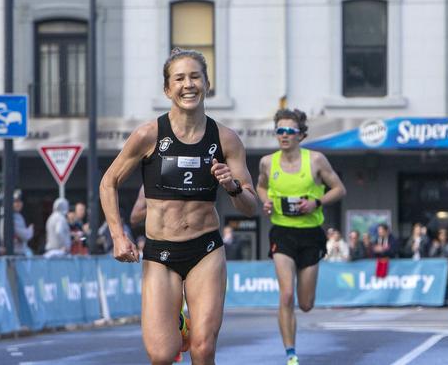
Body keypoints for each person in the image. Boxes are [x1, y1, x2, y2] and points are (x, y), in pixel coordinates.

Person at [100, 48, 257, 365]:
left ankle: (192, 331)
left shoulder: (225, 139)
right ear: (167, 89)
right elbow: (108, 182)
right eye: (179, 78)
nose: (188, 85)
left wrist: (232, 186)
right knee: (161, 354)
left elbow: (251, 206)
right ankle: (180, 325)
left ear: (207, 83)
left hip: (206, 248)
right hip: (161, 252)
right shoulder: (148, 135)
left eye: (195, 77)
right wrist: (118, 236)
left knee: (203, 349)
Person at [256, 108, 345, 365]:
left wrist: (316, 202)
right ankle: (290, 354)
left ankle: (295, 334)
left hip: (310, 234)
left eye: (289, 131)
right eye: (279, 131)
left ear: (301, 135)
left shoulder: (316, 160)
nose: (283, 136)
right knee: (286, 295)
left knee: (305, 303)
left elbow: (339, 189)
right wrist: (266, 202)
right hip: (282, 232)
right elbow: (261, 186)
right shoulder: (267, 162)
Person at [12, 190, 34, 256]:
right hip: (15, 253)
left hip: (19, 252)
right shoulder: (11, 216)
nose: (18, 204)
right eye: (15, 201)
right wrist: (30, 229)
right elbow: (26, 236)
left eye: (20, 201)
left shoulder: (18, 216)